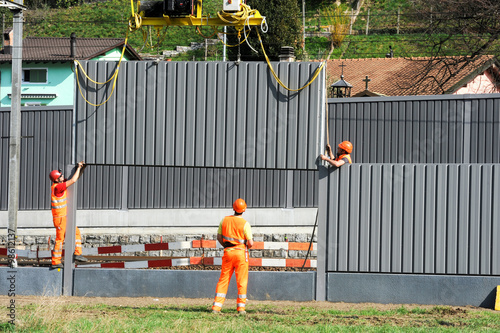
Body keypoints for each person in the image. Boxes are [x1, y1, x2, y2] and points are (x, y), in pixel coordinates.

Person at [212, 198, 254, 315]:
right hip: (241, 254)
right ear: (244, 209)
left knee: (223, 280)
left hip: (228, 253)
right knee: (242, 281)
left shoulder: (224, 220)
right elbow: (250, 243)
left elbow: (219, 237)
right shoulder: (245, 224)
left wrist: (226, 245)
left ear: (233, 207)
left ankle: (216, 307)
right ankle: (241, 308)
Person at [49, 162, 87, 269]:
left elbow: (75, 178)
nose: (62, 176)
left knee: (76, 233)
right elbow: (73, 180)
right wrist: (79, 167)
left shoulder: (59, 184)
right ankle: (55, 261)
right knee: (60, 239)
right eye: (60, 176)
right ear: (56, 179)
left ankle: (77, 253)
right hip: (60, 218)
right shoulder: (58, 187)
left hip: (63, 217)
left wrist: (81, 169)